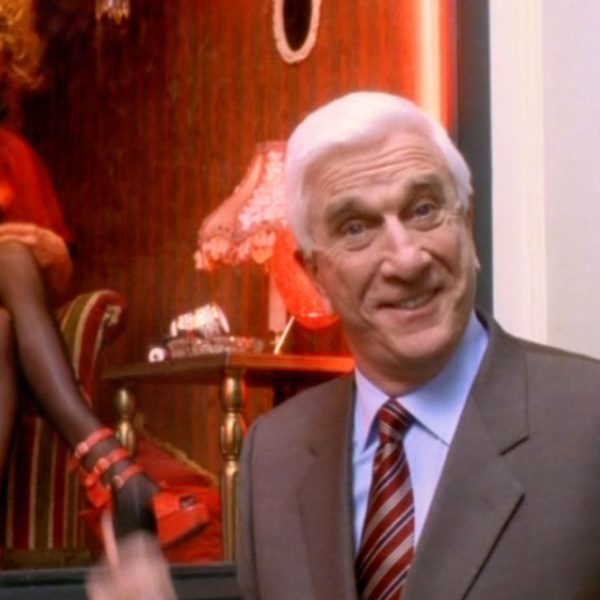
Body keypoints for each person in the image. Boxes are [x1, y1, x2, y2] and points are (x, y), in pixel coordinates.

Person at [236, 91, 600, 599]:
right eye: (355, 228)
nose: (406, 260)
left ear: (466, 222)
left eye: (423, 209)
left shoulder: (587, 419)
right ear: (314, 274)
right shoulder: (273, 456)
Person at [0, 1, 206, 553]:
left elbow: (49, 286)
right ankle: (115, 472)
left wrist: (42, 250)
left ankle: (115, 476)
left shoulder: (14, 155)